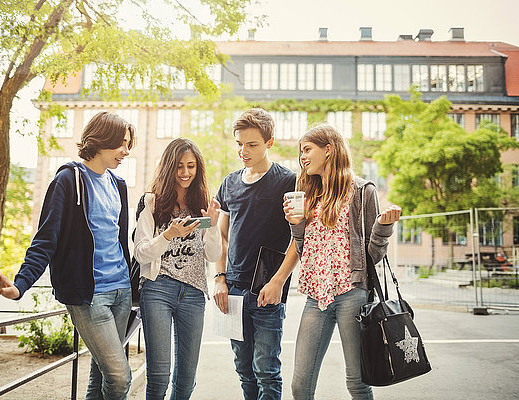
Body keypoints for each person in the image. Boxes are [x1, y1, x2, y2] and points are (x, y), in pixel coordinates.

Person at [0, 111, 136, 400]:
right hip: (88, 296)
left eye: (129, 144)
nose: (126, 151)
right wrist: (20, 285)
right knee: (120, 377)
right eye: (122, 143)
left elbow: (119, 239)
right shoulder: (68, 180)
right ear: (101, 140)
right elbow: (46, 239)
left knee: (103, 371)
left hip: (121, 291)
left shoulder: (118, 185)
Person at [281, 123, 401, 400]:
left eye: (307, 149)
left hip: (352, 295)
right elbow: (303, 250)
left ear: (329, 149)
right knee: (300, 386)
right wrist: (295, 224)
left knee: (357, 383)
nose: (302, 157)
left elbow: (373, 257)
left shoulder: (362, 191)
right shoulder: (309, 194)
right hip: (315, 297)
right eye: (301, 151)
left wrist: (383, 228)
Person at [213, 108, 297, 400]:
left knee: (266, 370)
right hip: (233, 290)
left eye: (251, 144)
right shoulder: (229, 183)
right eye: (239, 143)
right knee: (244, 369)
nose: (243, 151)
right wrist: (219, 278)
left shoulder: (288, 182)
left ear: (269, 142)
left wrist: (278, 282)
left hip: (267, 291)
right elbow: (221, 237)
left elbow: (298, 239)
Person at [133, 138, 221, 400]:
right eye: (179, 166)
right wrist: (168, 235)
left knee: (186, 378)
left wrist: (214, 226)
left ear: (198, 168)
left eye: (191, 166)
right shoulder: (152, 202)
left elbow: (213, 254)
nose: (185, 173)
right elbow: (140, 253)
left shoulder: (202, 203)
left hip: (194, 294)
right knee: (159, 375)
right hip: (158, 289)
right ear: (169, 167)